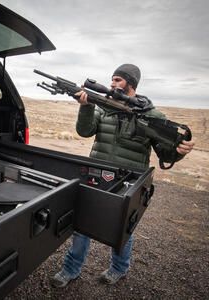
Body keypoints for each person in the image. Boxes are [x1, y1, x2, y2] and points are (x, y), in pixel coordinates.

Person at [51, 63, 195, 287]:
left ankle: (119, 268)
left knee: (122, 228)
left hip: (129, 178)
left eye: (118, 80)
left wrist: (179, 152)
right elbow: (85, 131)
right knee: (82, 224)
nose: (112, 84)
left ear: (131, 84)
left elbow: (165, 152)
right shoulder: (103, 107)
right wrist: (86, 106)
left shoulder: (152, 116)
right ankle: (71, 269)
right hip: (96, 174)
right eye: (112, 79)